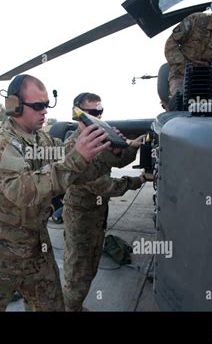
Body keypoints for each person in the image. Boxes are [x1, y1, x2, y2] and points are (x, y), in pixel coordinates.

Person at [0, 75, 136, 311]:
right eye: (37, 106)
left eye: (47, 104)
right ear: (14, 106)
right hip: (0, 250)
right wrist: (78, 157)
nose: (44, 111)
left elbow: (71, 168)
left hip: (36, 246)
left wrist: (109, 152)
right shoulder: (0, 143)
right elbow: (22, 191)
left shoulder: (42, 139)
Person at [62, 92, 150, 311]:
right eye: (92, 113)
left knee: (90, 268)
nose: (98, 116)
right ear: (78, 114)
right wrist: (138, 180)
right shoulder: (74, 147)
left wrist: (134, 147)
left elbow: (117, 160)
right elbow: (104, 185)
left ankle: (75, 306)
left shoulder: (99, 138)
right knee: (78, 272)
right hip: (80, 218)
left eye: (100, 111)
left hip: (97, 215)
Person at [165, 0, 212, 98]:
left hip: (209, 81)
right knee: (179, 101)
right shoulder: (195, 20)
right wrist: (182, 67)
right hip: (182, 76)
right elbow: (171, 44)